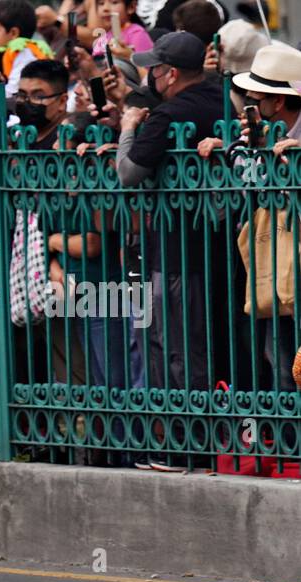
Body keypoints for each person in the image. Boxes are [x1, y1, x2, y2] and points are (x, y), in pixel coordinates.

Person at [117, 30, 226, 459]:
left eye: (155, 68)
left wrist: (128, 129)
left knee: (176, 350)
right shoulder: (222, 99)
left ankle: (187, 444)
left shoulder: (169, 115)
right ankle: (194, 440)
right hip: (220, 248)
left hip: (178, 252)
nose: (150, 75)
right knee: (197, 346)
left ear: (171, 73)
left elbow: (128, 174)